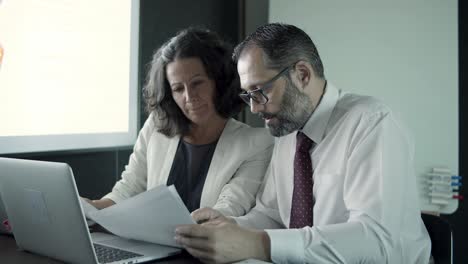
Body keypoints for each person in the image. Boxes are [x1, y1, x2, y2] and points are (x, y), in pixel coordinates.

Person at [174, 23, 431, 263]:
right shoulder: (287, 128)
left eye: (260, 91)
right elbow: (273, 215)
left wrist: (260, 244)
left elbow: (376, 241)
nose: (253, 108)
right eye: (247, 95)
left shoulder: (372, 123)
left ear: (302, 74)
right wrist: (231, 226)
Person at [84, 28, 274, 217]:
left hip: (206, 244)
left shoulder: (256, 144)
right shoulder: (156, 126)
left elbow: (228, 210)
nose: (189, 97)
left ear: (219, 80)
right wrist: (90, 207)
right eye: (178, 89)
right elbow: (126, 191)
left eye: (197, 83)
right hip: (152, 244)